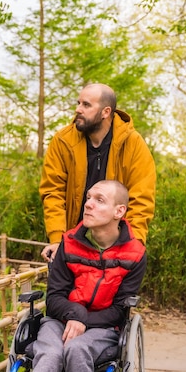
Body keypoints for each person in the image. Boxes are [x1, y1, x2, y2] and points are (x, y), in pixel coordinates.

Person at [21, 180, 147, 372]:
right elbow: (54, 298)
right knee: (50, 352)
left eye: (99, 200)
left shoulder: (134, 254)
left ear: (119, 211)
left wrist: (83, 322)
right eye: (88, 198)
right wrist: (75, 316)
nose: (88, 204)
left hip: (103, 328)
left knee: (77, 349)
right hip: (58, 322)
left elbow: (119, 309)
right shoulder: (68, 243)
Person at [39, 83, 156, 261]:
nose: (78, 109)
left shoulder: (133, 144)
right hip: (71, 244)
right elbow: (53, 193)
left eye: (86, 105)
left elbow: (141, 200)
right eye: (78, 103)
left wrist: (133, 244)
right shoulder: (62, 141)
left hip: (115, 247)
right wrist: (57, 239)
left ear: (105, 112)